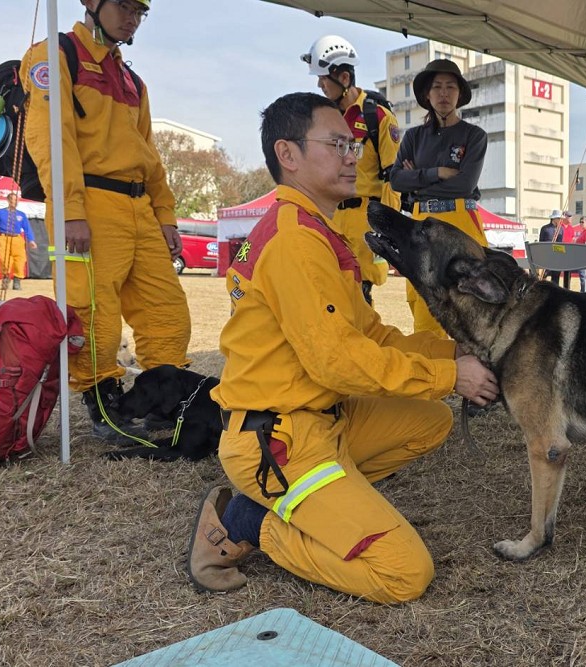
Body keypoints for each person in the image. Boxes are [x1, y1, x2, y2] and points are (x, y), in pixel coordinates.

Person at [188, 92, 498, 605]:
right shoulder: (294, 240)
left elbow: (371, 337)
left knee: (430, 421)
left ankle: (322, 499)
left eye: (352, 145)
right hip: (279, 437)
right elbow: (337, 361)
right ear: (288, 155)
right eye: (337, 144)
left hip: (323, 418)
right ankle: (249, 525)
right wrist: (450, 378)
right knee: (404, 574)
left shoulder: (320, 232)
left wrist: (458, 351)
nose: (353, 156)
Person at [20, 0, 190, 443]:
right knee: (94, 312)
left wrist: (165, 215)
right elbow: (51, 140)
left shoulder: (133, 80)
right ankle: (104, 404)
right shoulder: (55, 54)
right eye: (123, 5)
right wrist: (71, 210)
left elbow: (151, 157)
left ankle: (162, 398)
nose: (132, 16)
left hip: (138, 208)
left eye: (140, 10)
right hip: (90, 203)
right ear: (91, 2)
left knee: (167, 310)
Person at [390, 59, 488, 336]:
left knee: (471, 306)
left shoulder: (474, 136)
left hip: (461, 219)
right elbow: (396, 180)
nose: (443, 94)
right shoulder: (413, 138)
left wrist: (418, 178)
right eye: (437, 87)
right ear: (427, 95)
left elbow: (464, 184)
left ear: (459, 94)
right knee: (424, 309)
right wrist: (438, 172)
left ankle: (474, 376)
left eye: (450, 87)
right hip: (421, 222)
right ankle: (434, 377)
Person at [301, 35, 401, 305]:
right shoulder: (324, 118)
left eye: (323, 78)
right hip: (331, 217)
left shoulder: (377, 116)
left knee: (359, 295)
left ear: (344, 78)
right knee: (329, 291)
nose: (319, 85)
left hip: (364, 219)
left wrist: (390, 226)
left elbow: (393, 177)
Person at [0, 192, 37, 291]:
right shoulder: (0, 212)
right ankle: (6, 278)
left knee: (20, 260)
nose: (14, 202)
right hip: (4, 238)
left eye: (16, 200)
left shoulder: (21, 214)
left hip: (17, 239)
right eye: (12, 200)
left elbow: (27, 228)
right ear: (8, 200)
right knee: (4, 259)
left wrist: (31, 240)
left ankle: (17, 281)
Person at [537, 209, 566, 285]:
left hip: (557, 257)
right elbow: (541, 242)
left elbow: (560, 243)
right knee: (544, 276)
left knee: (556, 277)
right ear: (554, 218)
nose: (561, 220)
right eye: (559, 219)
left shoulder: (561, 229)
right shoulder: (545, 228)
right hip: (546, 256)